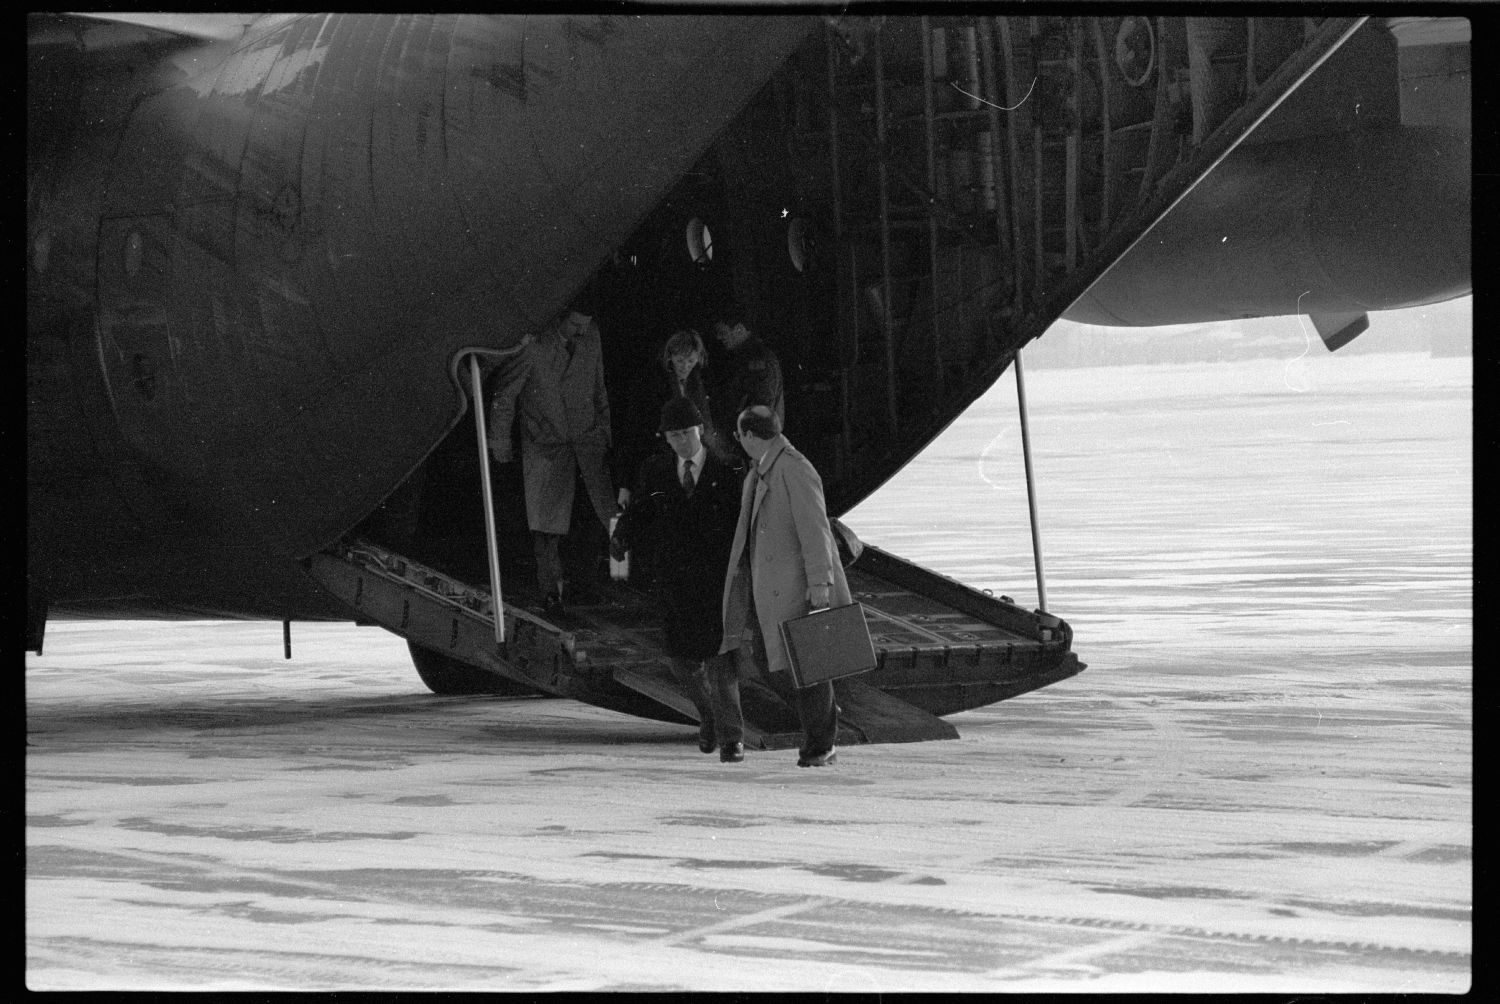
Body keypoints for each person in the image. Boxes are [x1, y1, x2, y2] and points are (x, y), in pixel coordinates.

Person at [610, 398, 747, 762]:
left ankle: (732, 738)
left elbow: (744, 520)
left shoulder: (729, 469)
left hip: (716, 579)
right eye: (673, 436)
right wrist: (622, 536)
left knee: (722, 659)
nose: (681, 441)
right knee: (680, 661)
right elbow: (641, 510)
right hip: (674, 579)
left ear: (700, 430)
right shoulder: (656, 470)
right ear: (666, 438)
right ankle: (709, 718)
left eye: (686, 433)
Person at [719, 404, 849, 767]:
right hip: (771, 588)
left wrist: (820, 581)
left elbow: (815, 528)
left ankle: (821, 743)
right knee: (771, 661)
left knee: (803, 664)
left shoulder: (792, 468)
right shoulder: (762, 470)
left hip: (794, 586)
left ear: (747, 436)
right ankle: (821, 720)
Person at [487, 298, 615, 617]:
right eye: (573, 326)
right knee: (547, 528)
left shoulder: (591, 337)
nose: (579, 333)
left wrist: (604, 431)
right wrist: (499, 440)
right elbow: (506, 394)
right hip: (547, 447)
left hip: (586, 444)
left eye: (584, 327)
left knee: (592, 518)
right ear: (559, 319)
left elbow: (599, 387)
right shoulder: (534, 347)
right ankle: (550, 592)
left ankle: (584, 585)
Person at [709, 306, 784, 448]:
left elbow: (762, 405)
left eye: (723, 332)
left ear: (739, 329)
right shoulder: (743, 357)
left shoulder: (756, 359)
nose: (719, 337)